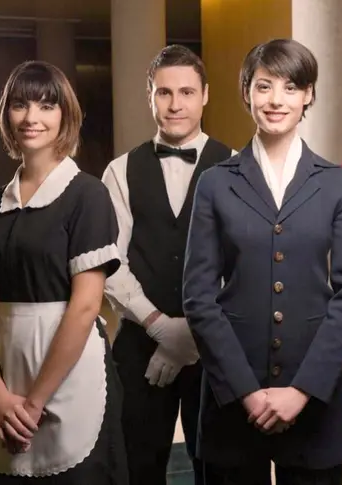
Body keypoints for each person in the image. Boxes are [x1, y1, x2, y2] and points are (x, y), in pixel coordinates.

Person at [182, 38, 342, 485]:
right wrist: (245, 393)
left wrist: (302, 390)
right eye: (264, 86)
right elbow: (198, 297)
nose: (276, 100)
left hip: (313, 390)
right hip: (232, 389)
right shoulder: (215, 183)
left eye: (290, 87)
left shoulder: (337, 183)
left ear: (308, 96)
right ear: (247, 93)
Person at [0, 60, 128, 484]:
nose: (32, 117)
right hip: (9, 375)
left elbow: (86, 305)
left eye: (46, 105)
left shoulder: (87, 196)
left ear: (65, 115)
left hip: (74, 377)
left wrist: (34, 402)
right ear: (6, 114)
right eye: (20, 105)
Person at [101, 45, 235, 485]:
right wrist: (160, 326)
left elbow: (242, 264)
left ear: (206, 96)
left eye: (186, 92)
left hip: (217, 346)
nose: (175, 104)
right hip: (139, 344)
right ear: (149, 96)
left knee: (218, 467)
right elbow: (110, 260)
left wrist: (193, 335)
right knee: (137, 468)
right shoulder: (119, 171)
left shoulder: (236, 167)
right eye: (164, 93)